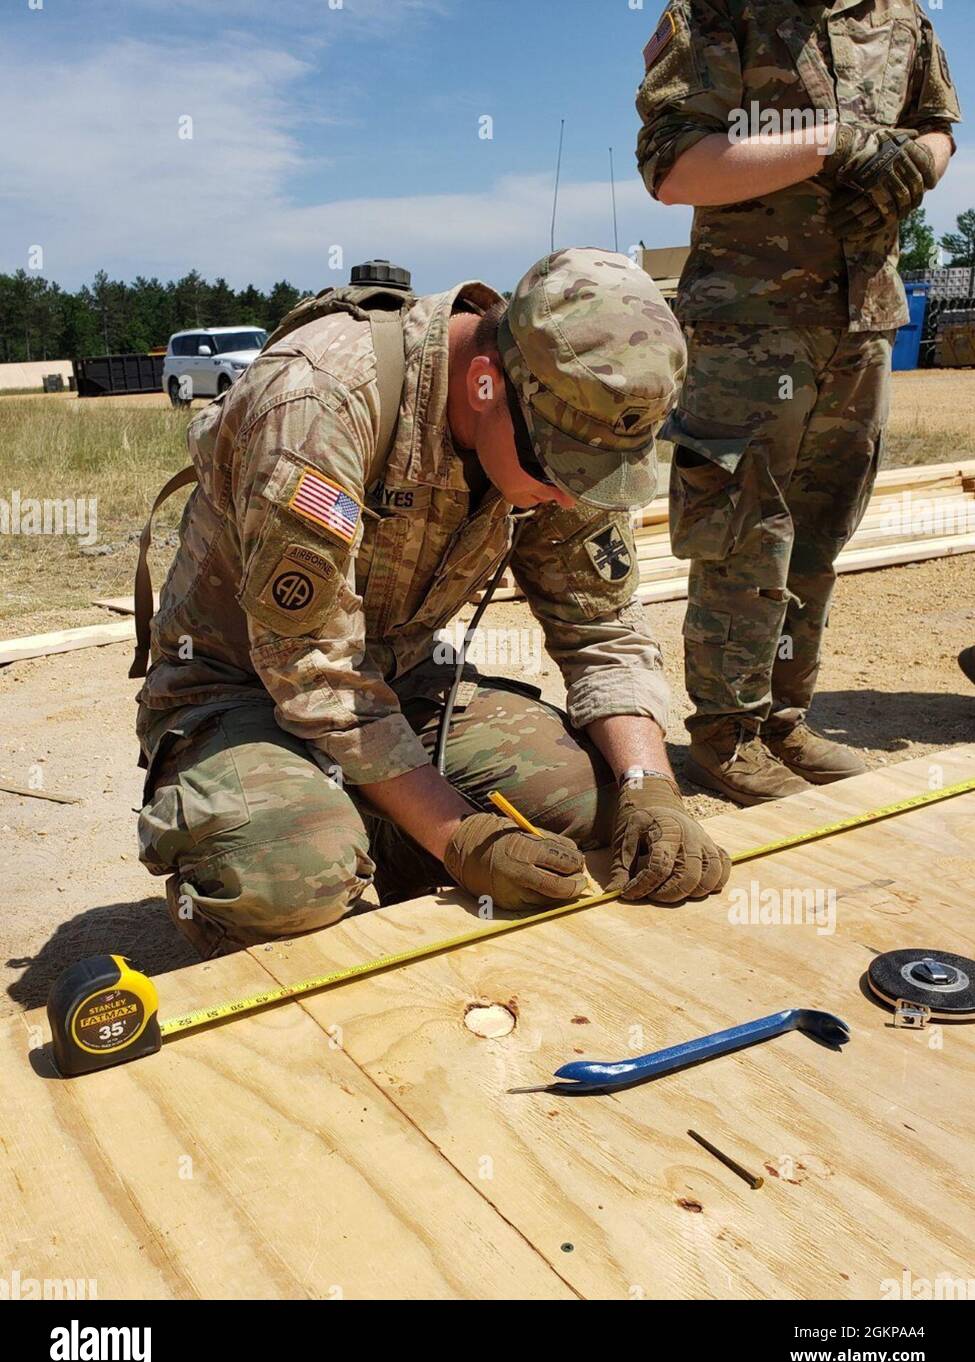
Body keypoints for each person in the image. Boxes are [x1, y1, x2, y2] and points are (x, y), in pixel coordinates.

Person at [133, 248, 732, 958]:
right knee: (287, 875)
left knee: (592, 800)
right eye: (560, 471)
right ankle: (286, 844)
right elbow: (312, 669)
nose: (570, 496)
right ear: (485, 384)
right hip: (240, 689)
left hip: (398, 680)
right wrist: (463, 837)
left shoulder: (559, 413)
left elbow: (599, 622)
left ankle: (389, 822)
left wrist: (650, 787)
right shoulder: (320, 399)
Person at [636, 0, 961, 805]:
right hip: (749, 324)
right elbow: (673, 169)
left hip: (864, 317)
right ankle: (725, 733)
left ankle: (783, 719)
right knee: (743, 527)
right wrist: (827, 145)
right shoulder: (717, 11)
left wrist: (917, 161)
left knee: (820, 527)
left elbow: (937, 124)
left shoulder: (903, 18)